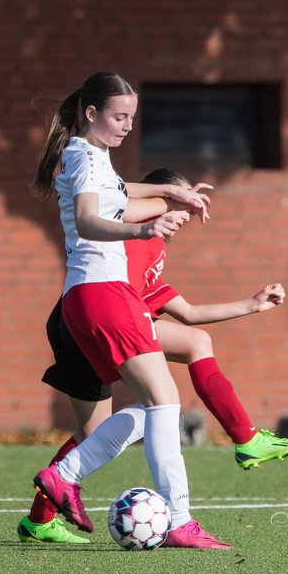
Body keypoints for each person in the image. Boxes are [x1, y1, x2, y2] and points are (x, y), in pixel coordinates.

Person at [17, 168, 288, 545]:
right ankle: (230, 457)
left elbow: (188, 312)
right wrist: (166, 202)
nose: (186, 217)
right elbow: (106, 212)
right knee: (153, 403)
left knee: (187, 351)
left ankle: (38, 520)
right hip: (87, 319)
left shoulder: (152, 248)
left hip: (89, 316)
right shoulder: (137, 230)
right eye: (184, 204)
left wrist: (253, 305)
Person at [27, 70, 234, 549]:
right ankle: (178, 519)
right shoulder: (82, 156)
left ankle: (65, 477)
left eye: (131, 118)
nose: (125, 126)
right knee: (165, 402)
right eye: (118, 117)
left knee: (149, 410)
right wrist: (141, 231)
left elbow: (119, 192)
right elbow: (87, 220)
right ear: (91, 112)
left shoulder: (93, 155)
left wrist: (174, 193)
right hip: (102, 290)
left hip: (89, 295)